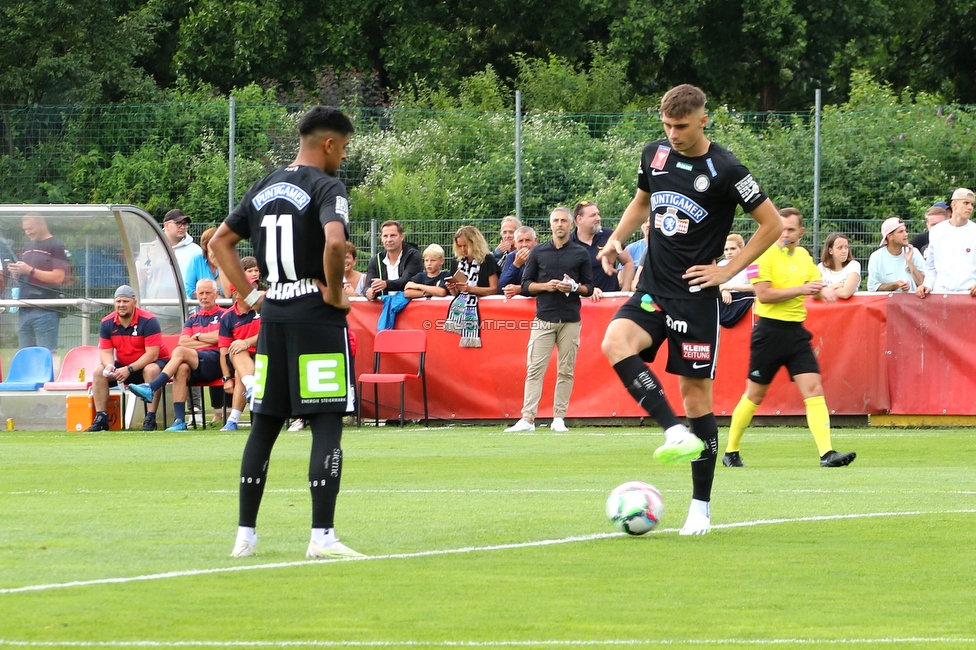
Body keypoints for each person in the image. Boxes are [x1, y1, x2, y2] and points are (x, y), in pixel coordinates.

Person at [597, 84, 783, 536]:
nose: (672, 134)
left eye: (680, 126)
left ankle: (700, 506)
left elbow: (772, 223)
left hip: (697, 296)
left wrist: (727, 270)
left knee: (697, 398)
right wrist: (617, 238)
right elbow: (642, 201)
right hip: (653, 287)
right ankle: (672, 432)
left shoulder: (727, 169)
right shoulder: (654, 156)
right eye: (666, 125)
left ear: (703, 120)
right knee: (613, 341)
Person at [209, 106, 362, 559]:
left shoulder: (263, 186)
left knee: (265, 425)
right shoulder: (327, 186)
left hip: (273, 316)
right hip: (316, 319)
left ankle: (245, 535)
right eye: (345, 148)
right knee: (327, 422)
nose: (344, 158)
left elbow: (219, 243)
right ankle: (322, 536)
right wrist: (336, 294)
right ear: (329, 144)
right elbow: (335, 243)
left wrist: (253, 300)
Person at [722, 208, 856, 469]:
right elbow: (764, 295)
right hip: (769, 332)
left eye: (791, 229)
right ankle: (731, 451)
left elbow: (815, 289)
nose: (785, 233)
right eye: (781, 228)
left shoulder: (804, 256)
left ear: (801, 232)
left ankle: (827, 454)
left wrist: (824, 291)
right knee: (754, 395)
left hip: (795, 332)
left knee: (814, 389)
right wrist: (804, 289)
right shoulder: (760, 254)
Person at [504, 207, 593, 433]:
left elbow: (588, 288)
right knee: (535, 368)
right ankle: (527, 419)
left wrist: (572, 287)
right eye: (556, 220)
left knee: (566, 370)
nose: (560, 224)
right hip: (543, 317)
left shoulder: (581, 253)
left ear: (571, 225)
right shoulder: (538, 252)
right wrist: (547, 286)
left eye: (564, 220)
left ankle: (559, 418)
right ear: (550, 224)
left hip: (571, 319)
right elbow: (525, 286)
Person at [126, 279, 226, 430]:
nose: (204, 296)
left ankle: (152, 387)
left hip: (217, 362)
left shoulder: (225, 315)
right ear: (196, 295)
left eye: (208, 293)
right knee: (181, 368)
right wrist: (208, 340)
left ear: (216, 294)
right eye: (201, 293)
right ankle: (180, 421)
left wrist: (197, 337)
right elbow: (183, 341)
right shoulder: (192, 319)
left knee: (179, 352)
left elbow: (222, 337)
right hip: (196, 363)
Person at [86, 285, 171, 432]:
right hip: (125, 366)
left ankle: (150, 418)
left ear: (134, 302)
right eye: (118, 301)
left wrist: (129, 369)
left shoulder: (149, 320)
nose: (121, 305)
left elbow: (152, 354)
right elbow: (106, 352)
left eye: (125, 301)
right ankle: (101, 418)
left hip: (152, 363)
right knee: (99, 371)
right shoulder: (107, 322)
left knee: (151, 369)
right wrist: (109, 366)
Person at [6, 213, 70, 353]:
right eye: (25, 229)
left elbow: (58, 277)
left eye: (31, 228)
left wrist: (29, 270)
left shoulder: (56, 245)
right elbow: (25, 278)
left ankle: (51, 376)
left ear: (42, 224)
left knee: (46, 354)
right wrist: (17, 272)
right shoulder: (28, 245)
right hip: (24, 309)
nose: (28, 232)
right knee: (25, 355)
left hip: (45, 309)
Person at [444, 225, 500, 347]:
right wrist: (452, 288)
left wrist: (470, 289)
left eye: (466, 245)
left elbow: (494, 289)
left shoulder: (487, 259)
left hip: (485, 312)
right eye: (460, 246)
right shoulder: (456, 261)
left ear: (475, 243)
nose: (463, 249)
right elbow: (457, 295)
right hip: (462, 306)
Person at [217, 281, 261, 432]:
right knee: (236, 349)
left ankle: (233, 419)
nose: (252, 292)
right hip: (242, 358)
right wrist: (226, 379)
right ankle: (251, 387)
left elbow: (270, 332)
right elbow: (224, 351)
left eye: (253, 289)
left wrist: (247, 342)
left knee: (241, 372)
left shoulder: (263, 307)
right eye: (246, 289)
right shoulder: (227, 316)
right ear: (235, 294)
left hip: (265, 354)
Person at [917, 187, 976, 298]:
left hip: (969, 296)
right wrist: (927, 285)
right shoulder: (936, 231)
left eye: (972, 205)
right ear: (954, 205)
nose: (970, 207)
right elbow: (930, 267)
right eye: (966, 203)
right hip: (941, 295)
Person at [572, 200, 635, 298]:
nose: (599, 218)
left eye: (598, 214)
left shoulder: (608, 235)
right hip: (582, 304)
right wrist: (587, 290)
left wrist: (624, 293)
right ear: (579, 219)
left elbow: (628, 262)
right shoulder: (570, 243)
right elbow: (565, 278)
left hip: (611, 302)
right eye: (593, 215)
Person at [363, 220, 423, 300]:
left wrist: (385, 284)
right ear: (381, 238)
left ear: (402, 237)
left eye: (393, 235)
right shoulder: (375, 260)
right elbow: (367, 286)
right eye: (385, 236)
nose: (388, 239)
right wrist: (369, 292)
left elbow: (407, 281)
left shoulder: (413, 255)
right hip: (384, 306)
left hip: (409, 305)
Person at [867, 217, 924, 292]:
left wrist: (910, 262)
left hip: (914, 302)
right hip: (888, 303)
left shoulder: (914, 252)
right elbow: (872, 287)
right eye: (901, 232)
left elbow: (923, 283)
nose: (906, 234)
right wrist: (895, 285)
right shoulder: (876, 257)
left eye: (905, 230)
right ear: (890, 236)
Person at [717, 233, 755, 327]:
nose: (729, 252)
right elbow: (714, 284)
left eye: (733, 249)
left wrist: (731, 287)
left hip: (745, 304)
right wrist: (723, 290)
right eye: (726, 249)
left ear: (742, 248)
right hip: (725, 304)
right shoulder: (721, 264)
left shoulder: (752, 264)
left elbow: (756, 286)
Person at [183, 227, 224, 300]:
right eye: (213, 243)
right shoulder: (196, 260)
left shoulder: (228, 261)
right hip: (204, 308)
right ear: (206, 245)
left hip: (226, 309)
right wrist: (212, 297)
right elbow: (189, 290)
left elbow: (232, 290)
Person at [817, 232, 861, 299]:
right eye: (840, 248)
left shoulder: (854, 265)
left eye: (846, 247)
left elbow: (845, 293)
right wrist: (838, 286)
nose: (844, 251)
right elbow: (814, 293)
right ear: (830, 251)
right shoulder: (821, 267)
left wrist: (825, 289)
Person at [498, 226, 538, 298]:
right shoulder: (511, 256)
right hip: (517, 304)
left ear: (536, 241)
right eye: (520, 241)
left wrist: (520, 289)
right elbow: (502, 287)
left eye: (528, 240)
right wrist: (516, 265)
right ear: (515, 243)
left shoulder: (542, 255)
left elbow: (544, 284)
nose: (524, 245)